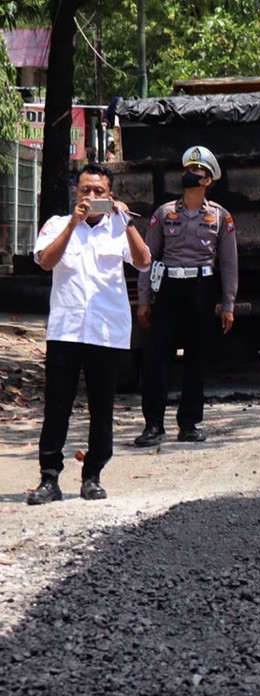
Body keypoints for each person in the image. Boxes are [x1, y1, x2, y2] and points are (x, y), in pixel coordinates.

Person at [26, 164, 152, 504]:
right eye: (85, 191)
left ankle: (93, 476)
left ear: (110, 195)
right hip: (66, 331)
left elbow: (143, 261)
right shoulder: (56, 224)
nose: (91, 197)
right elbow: (46, 262)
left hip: (106, 332)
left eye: (99, 192)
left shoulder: (117, 228)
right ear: (75, 192)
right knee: (57, 406)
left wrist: (126, 222)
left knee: (101, 408)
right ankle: (49, 479)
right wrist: (73, 223)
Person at [134, 146, 239, 446]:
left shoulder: (220, 217)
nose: (189, 175)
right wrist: (144, 300)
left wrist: (228, 304)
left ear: (208, 181)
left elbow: (229, 264)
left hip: (201, 291)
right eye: (187, 170)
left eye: (197, 172)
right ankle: (153, 425)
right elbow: (147, 259)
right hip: (169, 289)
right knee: (157, 358)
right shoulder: (164, 214)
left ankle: (190, 423)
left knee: (197, 359)